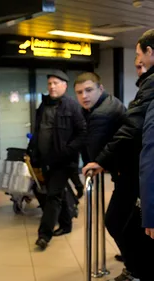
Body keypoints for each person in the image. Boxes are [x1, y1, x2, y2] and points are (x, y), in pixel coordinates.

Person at [84, 29, 154, 281]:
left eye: (139, 56)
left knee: (121, 223)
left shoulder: (148, 89)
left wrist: (100, 160)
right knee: (129, 226)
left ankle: (136, 268)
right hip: (134, 173)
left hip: (136, 174)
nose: (138, 63)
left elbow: (133, 131)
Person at [74, 72, 130, 279]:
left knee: (114, 221)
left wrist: (95, 162)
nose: (84, 96)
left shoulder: (100, 114)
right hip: (126, 172)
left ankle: (134, 267)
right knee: (125, 222)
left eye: (89, 90)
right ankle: (132, 257)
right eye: (79, 92)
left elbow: (93, 153)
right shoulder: (110, 103)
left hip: (128, 175)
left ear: (101, 88)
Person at [27, 70, 86, 250]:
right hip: (45, 161)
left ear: (64, 85)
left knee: (53, 196)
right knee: (57, 194)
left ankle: (44, 235)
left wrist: (68, 151)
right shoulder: (43, 106)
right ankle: (66, 224)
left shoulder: (72, 106)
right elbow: (38, 132)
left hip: (63, 162)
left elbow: (82, 132)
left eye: (56, 83)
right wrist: (32, 152)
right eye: (50, 83)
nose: (52, 86)